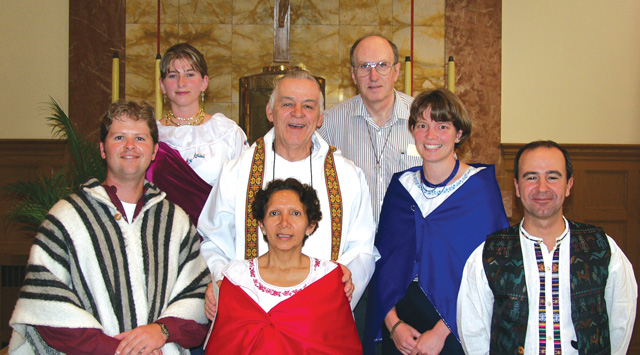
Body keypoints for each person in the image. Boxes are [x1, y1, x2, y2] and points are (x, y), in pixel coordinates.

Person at [9, 101, 211, 355]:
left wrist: (161, 331)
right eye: (119, 137)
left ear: (154, 151)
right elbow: (46, 304)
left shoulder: (176, 222)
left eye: (139, 137)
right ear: (103, 149)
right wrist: (116, 349)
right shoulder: (66, 218)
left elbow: (198, 294)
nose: (130, 146)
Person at [197, 69, 378, 319]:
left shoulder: (348, 176)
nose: (298, 113)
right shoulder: (236, 171)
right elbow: (214, 241)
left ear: (320, 117)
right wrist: (222, 284)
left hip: (320, 316)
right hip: (251, 316)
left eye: (308, 106)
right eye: (287, 104)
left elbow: (362, 248)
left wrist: (346, 277)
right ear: (270, 112)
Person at [364, 89, 509, 355]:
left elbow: (492, 269)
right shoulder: (401, 187)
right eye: (422, 125)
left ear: (459, 134)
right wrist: (393, 325)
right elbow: (381, 262)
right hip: (401, 319)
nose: (431, 136)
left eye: (442, 126)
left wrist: (443, 331)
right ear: (413, 131)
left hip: (458, 320)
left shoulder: (479, 189)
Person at [457, 140, 637, 354]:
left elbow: (620, 322)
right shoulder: (488, 254)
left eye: (552, 177)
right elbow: (474, 333)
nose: (542, 188)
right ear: (517, 186)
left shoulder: (603, 248)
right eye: (531, 177)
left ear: (569, 185)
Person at [204, 178, 361, 354]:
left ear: (310, 225)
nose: (284, 222)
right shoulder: (235, 278)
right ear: (261, 225)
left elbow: (342, 347)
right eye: (274, 213)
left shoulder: (328, 277)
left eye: (295, 213)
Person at [318, 34, 421, 224]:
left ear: (396, 71)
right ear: (353, 75)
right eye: (365, 66)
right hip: (351, 244)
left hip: (410, 242)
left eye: (382, 65)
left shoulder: (423, 117)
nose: (373, 76)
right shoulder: (329, 124)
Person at [146, 43, 248, 226]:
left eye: (190, 74)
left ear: (204, 82)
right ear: (162, 85)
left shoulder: (227, 133)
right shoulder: (149, 135)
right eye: (172, 75)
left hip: (216, 241)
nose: (181, 83)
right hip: (163, 235)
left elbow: (245, 194)